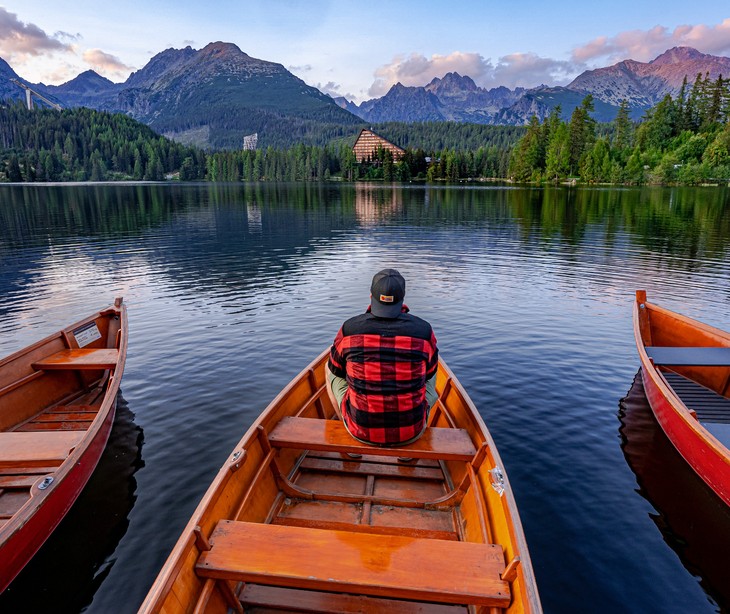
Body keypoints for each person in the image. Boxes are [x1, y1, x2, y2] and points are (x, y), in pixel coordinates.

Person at [326, 268, 439, 446]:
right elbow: (430, 373)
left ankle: (350, 440)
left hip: (360, 430)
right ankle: (408, 453)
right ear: (403, 298)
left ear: (371, 296)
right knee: (431, 374)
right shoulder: (424, 332)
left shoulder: (349, 330)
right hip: (411, 432)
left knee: (329, 370)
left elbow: (336, 370)